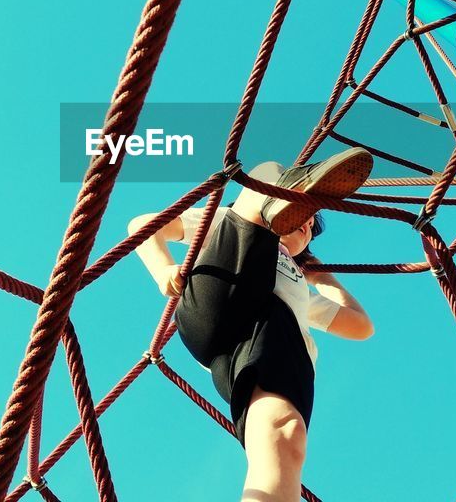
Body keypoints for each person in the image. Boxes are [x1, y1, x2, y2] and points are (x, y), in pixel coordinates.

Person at [129, 148, 376, 502]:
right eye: (303, 217)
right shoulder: (223, 221)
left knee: (285, 436)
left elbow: (360, 326)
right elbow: (143, 225)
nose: (305, 227)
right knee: (268, 168)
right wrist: (162, 269)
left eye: (308, 228)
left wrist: (322, 278)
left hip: (271, 335)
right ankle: (283, 190)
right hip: (223, 296)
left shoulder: (297, 285)